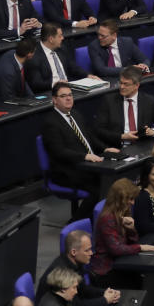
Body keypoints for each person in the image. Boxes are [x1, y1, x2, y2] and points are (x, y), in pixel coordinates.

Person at [41, 81, 117, 218]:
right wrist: (85, 157)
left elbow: (90, 137)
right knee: (99, 188)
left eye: (70, 95)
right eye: (63, 96)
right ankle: (76, 224)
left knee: (112, 180)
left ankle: (103, 220)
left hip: (87, 166)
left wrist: (106, 149)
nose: (69, 98)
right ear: (54, 100)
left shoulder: (75, 114)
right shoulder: (50, 122)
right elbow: (59, 152)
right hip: (66, 171)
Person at [90, 178, 154, 286]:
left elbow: (132, 242)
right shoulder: (107, 218)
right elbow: (116, 249)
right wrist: (141, 247)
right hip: (107, 269)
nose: (132, 202)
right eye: (130, 199)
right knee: (144, 282)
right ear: (120, 199)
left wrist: (131, 230)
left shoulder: (123, 211)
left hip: (121, 261)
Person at [36, 230, 120, 306]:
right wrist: (105, 300)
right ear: (74, 252)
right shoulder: (63, 274)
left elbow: (83, 289)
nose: (91, 253)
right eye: (87, 250)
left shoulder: (75, 262)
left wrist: (105, 292)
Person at [94, 66, 154, 147]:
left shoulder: (148, 101)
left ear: (136, 85)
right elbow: (99, 130)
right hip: (118, 147)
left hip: (143, 146)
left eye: (126, 84)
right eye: (121, 83)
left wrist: (153, 131)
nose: (122, 87)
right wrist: (121, 136)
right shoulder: (109, 101)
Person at [26, 22, 94, 93]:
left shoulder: (62, 48)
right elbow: (36, 83)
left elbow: (73, 67)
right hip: (50, 92)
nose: (63, 38)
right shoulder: (33, 57)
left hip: (68, 88)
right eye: (60, 36)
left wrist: (88, 75)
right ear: (51, 39)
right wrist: (55, 84)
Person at [0, 39, 37, 106]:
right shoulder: (8, 73)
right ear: (29, 54)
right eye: (34, 51)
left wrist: (33, 98)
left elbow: (23, 81)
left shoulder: (13, 53)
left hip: (10, 97)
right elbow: (10, 100)